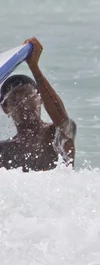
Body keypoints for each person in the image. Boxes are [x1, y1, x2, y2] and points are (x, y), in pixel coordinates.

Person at [0, 37, 76, 172]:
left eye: (30, 97)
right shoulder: (4, 151)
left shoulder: (58, 134)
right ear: (5, 109)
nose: (25, 104)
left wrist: (34, 67)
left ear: (40, 99)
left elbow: (62, 120)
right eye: (16, 100)